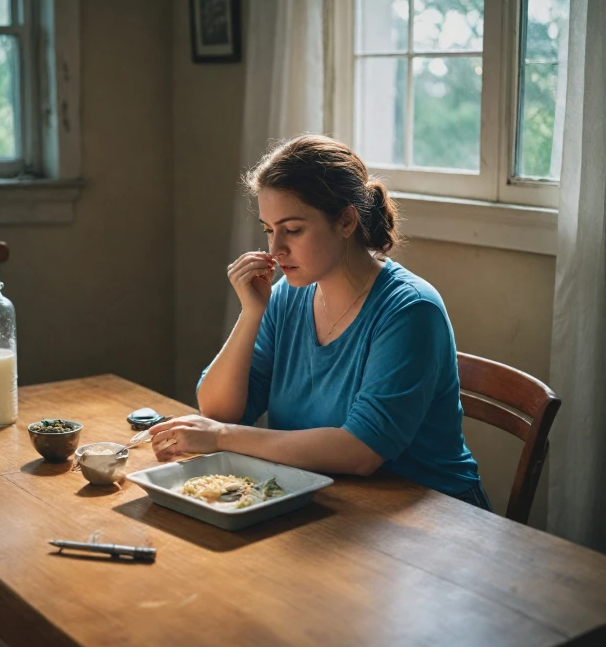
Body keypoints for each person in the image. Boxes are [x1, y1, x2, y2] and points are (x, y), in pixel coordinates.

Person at [150, 134, 491, 510]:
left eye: (292, 230)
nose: (274, 250)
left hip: (434, 515)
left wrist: (222, 437)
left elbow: (361, 451)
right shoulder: (287, 296)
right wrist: (252, 314)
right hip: (329, 500)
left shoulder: (410, 310)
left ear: (346, 221)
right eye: (268, 230)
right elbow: (217, 411)